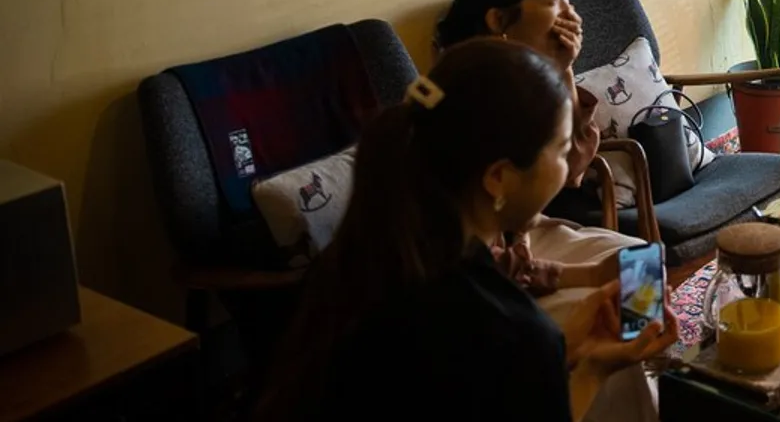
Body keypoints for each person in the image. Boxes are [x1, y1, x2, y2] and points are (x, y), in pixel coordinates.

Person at [258, 39, 677, 422]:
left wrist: (567, 348)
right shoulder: (512, 331)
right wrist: (592, 369)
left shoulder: (359, 262)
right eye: (561, 148)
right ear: (498, 178)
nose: (569, 165)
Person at [434, 0, 640, 314]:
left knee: (637, 265)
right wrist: (585, 276)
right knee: (610, 304)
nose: (571, 13)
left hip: (517, 237)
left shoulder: (523, 77)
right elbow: (481, 265)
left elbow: (572, 168)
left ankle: (645, 346)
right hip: (486, 264)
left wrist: (563, 68)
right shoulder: (463, 98)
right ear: (498, 19)